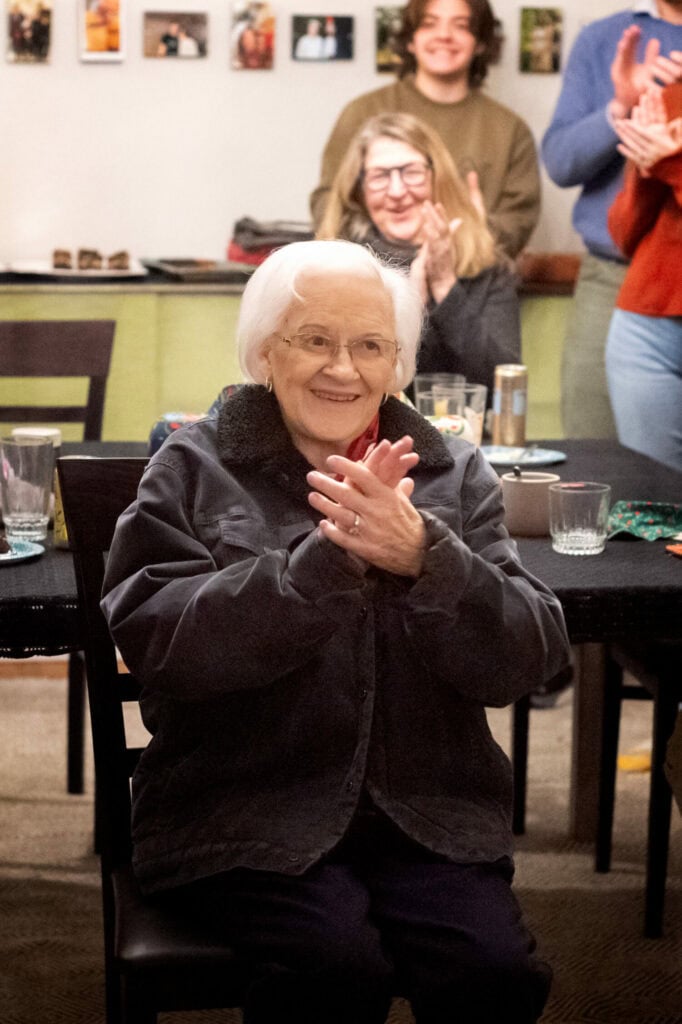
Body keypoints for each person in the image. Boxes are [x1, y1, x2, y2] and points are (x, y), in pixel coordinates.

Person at [100, 239, 571, 1024]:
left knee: (494, 973)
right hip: (244, 812)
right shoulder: (193, 466)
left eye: (370, 346)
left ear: (398, 364)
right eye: (314, 339)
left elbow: (528, 659)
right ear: (265, 352)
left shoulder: (453, 472)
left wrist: (427, 558)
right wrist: (317, 567)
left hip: (426, 813)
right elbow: (161, 644)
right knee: (335, 967)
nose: (343, 369)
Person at [541, 3, 682, 438]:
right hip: (616, 279)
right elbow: (561, 163)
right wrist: (620, 109)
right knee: (596, 450)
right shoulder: (604, 38)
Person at [310, 0, 540, 261]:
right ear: (410, 40)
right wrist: (390, 259)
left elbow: (518, 221)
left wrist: (462, 241)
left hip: (471, 277)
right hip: (374, 275)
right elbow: (329, 203)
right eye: (429, 24)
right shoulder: (363, 113)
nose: (444, 35)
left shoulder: (510, 130)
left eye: (461, 26)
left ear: (480, 43)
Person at [317, 111, 521, 403]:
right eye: (380, 176)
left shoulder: (486, 263)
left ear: (438, 178)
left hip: (472, 430)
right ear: (358, 190)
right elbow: (344, 384)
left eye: (411, 172)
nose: (397, 191)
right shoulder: (338, 267)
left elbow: (505, 387)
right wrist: (410, 309)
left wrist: (445, 285)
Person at [605, 83, 682, 471]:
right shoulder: (672, 98)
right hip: (646, 328)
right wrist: (648, 169)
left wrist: (672, 165)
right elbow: (624, 235)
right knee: (654, 491)